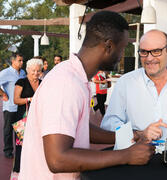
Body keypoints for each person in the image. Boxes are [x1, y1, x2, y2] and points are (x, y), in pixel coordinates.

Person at [19, 11, 154, 180]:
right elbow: (57, 159)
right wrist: (126, 156)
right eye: (123, 47)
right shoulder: (65, 83)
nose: (122, 55)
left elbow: (76, 128)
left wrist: (126, 136)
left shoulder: (77, 77)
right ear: (109, 46)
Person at [11, 58, 43, 179]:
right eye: (33, 70)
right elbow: (16, 100)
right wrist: (29, 100)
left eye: (38, 71)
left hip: (37, 119)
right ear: (28, 70)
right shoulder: (21, 82)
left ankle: (33, 171)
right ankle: (17, 172)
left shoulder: (42, 83)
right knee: (21, 146)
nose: (35, 73)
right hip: (23, 120)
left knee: (36, 145)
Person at [0, 53, 25, 159]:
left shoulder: (23, 72)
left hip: (20, 106)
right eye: (19, 60)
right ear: (13, 61)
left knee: (20, 130)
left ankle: (20, 150)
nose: (22, 62)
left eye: (22, 60)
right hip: (10, 107)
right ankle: (8, 150)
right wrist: (3, 94)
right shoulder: (5, 73)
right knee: (8, 130)